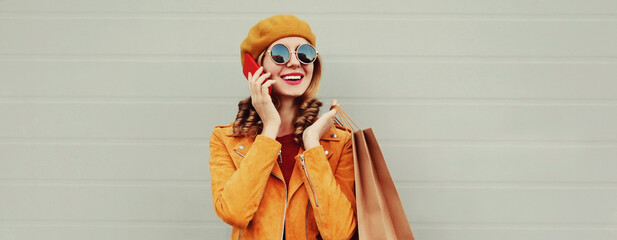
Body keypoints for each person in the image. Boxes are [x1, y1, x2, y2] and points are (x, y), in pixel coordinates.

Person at [209, 15, 357, 239]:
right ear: (255, 68)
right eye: (280, 54)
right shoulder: (226, 139)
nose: (295, 62)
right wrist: (270, 127)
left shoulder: (339, 142)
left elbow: (339, 233)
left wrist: (312, 144)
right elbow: (234, 213)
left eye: (305, 53)